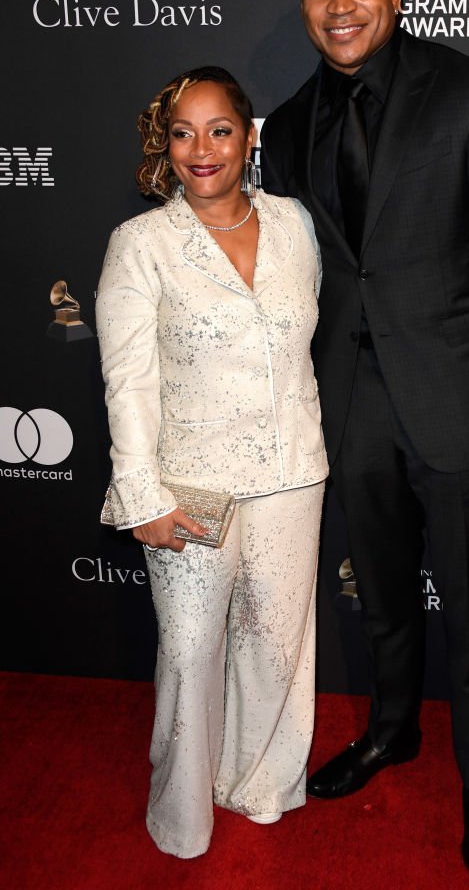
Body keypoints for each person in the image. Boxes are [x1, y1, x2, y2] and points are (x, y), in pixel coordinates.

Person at [260, 0, 469, 879]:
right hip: (345, 402)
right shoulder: (292, 123)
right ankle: (393, 731)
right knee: (382, 597)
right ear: (301, 6)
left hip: (459, 401)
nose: (338, 6)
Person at [97, 65, 328, 858]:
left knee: (277, 642)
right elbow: (127, 380)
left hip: (294, 471)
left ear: (248, 135)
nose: (203, 149)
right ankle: (183, 812)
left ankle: (260, 783)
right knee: (191, 650)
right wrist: (141, 494)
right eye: (184, 132)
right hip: (188, 482)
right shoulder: (141, 245)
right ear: (166, 145)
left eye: (219, 129)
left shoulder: (296, 223)